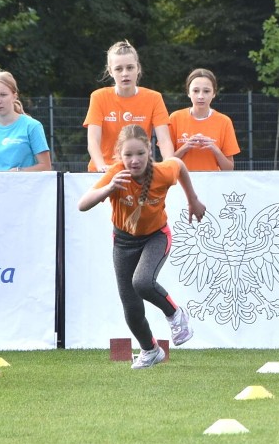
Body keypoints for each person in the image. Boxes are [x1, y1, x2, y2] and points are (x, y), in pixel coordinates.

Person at [78, 124, 205, 369]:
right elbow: (82, 205)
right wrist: (109, 188)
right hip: (124, 242)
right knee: (131, 307)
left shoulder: (161, 172)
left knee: (143, 282)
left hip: (156, 236)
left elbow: (178, 166)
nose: (134, 160)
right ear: (119, 156)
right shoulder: (116, 174)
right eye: (128, 155)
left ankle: (175, 314)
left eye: (140, 154)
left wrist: (193, 200)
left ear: (149, 151)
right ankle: (150, 350)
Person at [83, 40, 174, 172]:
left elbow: (165, 140)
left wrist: (168, 166)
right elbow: (93, 141)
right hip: (105, 172)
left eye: (130, 67)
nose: (125, 73)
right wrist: (101, 167)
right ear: (110, 71)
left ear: (138, 68)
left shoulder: (154, 98)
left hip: (139, 171)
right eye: (119, 69)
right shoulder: (98, 97)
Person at [0, 70, 52, 172]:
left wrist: (18, 171)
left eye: (3, 95)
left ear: (14, 96)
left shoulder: (32, 126)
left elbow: (46, 166)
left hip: (23, 187)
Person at [169, 68, 240, 171]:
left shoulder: (224, 121)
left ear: (214, 93)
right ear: (188, 92)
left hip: (212, 184)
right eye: (196, 91)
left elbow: (229, 168)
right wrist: (185, 147)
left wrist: (215, 149)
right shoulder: (175, 118)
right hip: (181, 184)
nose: (201, 96)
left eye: (206, 91)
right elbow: (167, 163)